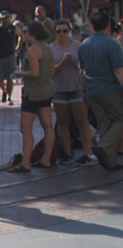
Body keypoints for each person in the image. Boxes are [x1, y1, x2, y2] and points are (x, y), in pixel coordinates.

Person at [77, 10, 123, 171]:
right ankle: (104, 147)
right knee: (120, 119)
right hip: (110, 88)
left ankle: (110, 161)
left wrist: (83, 91)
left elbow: (81, 71)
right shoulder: (112, 44)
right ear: (108, 25)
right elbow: (119, 71)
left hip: (91, 90)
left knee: (104, 122)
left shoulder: (84, 44)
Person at [9, 22, 56, 172]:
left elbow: (34, 73)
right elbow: (52, 72)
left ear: (32, 34)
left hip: (33, 93)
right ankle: (46, 159)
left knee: (26, 128)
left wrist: (19, 73)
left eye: (26, 32)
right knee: (48, 127)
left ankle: (26, 162)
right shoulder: (48, 49)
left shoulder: (32, 50)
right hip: (46, 91)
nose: (24, 34)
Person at [50, 19, 95, 166]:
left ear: (69, 32)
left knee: (82, 122)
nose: (62, 34)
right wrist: (62, 63)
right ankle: (67, 153)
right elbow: (51, 73)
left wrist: (75, 63)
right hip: (59, 90)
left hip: (76, 88)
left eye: (65, 31)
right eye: (59, 31)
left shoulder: (78, 46)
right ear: (55, 33)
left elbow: (86, 67)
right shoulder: (51, 48)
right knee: (63, 123)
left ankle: (88, 153)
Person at [0, 12, 18, 104]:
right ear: (0, 19)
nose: (6, 20)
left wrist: (18, 47)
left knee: (10, 78)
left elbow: (22, 36)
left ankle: (9, 97)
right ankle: (4, 91)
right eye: (4, 18)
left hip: (10, 55)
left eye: (7, 18)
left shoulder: (13, 28)